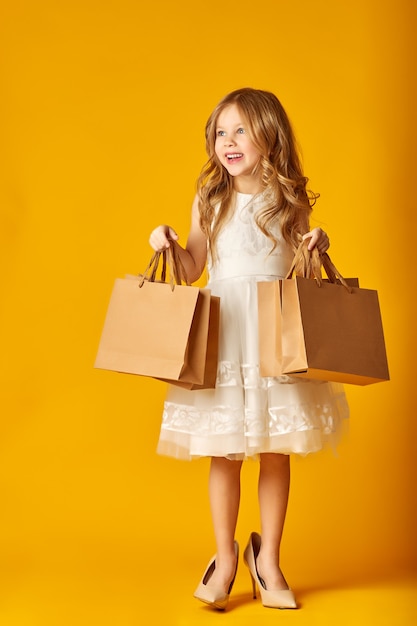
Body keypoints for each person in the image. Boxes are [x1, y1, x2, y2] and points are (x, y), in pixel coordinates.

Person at [149, 87, 349, 611]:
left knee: (275, 451)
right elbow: (194, 270)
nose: (228, 142)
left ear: (269, 136)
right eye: (221, 132)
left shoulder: (290, 199)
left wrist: (317, 244)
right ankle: (224, 558)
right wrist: (169, 243)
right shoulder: (209, 199)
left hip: (272, 332)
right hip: (225, 335)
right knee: (224, 451)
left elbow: (297, 272)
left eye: (241, 130)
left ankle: (271, 562)